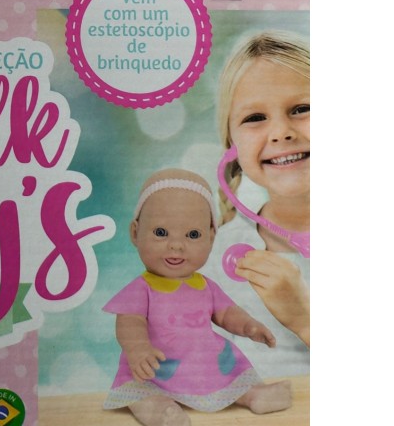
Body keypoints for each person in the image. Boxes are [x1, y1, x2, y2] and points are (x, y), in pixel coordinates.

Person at [103, 169, 292, 425]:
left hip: (203, 363)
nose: (176, 245)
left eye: (193, 235)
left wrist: (248, 326)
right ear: (135, 233)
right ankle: (159, 411)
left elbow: (226, 313)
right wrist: (138, 349)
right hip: (155, 366)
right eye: (161, 232)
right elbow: (130, 321)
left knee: (233, 374)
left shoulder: (205, 285)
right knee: (142, 392)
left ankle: (255, 394)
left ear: (211, 238)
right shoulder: (142, 288)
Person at [211, 31, 310, 376]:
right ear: (232, 145)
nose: (281, 132)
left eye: (302, 109)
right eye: (255, 118)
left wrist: (305, 320)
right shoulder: (215, 256)